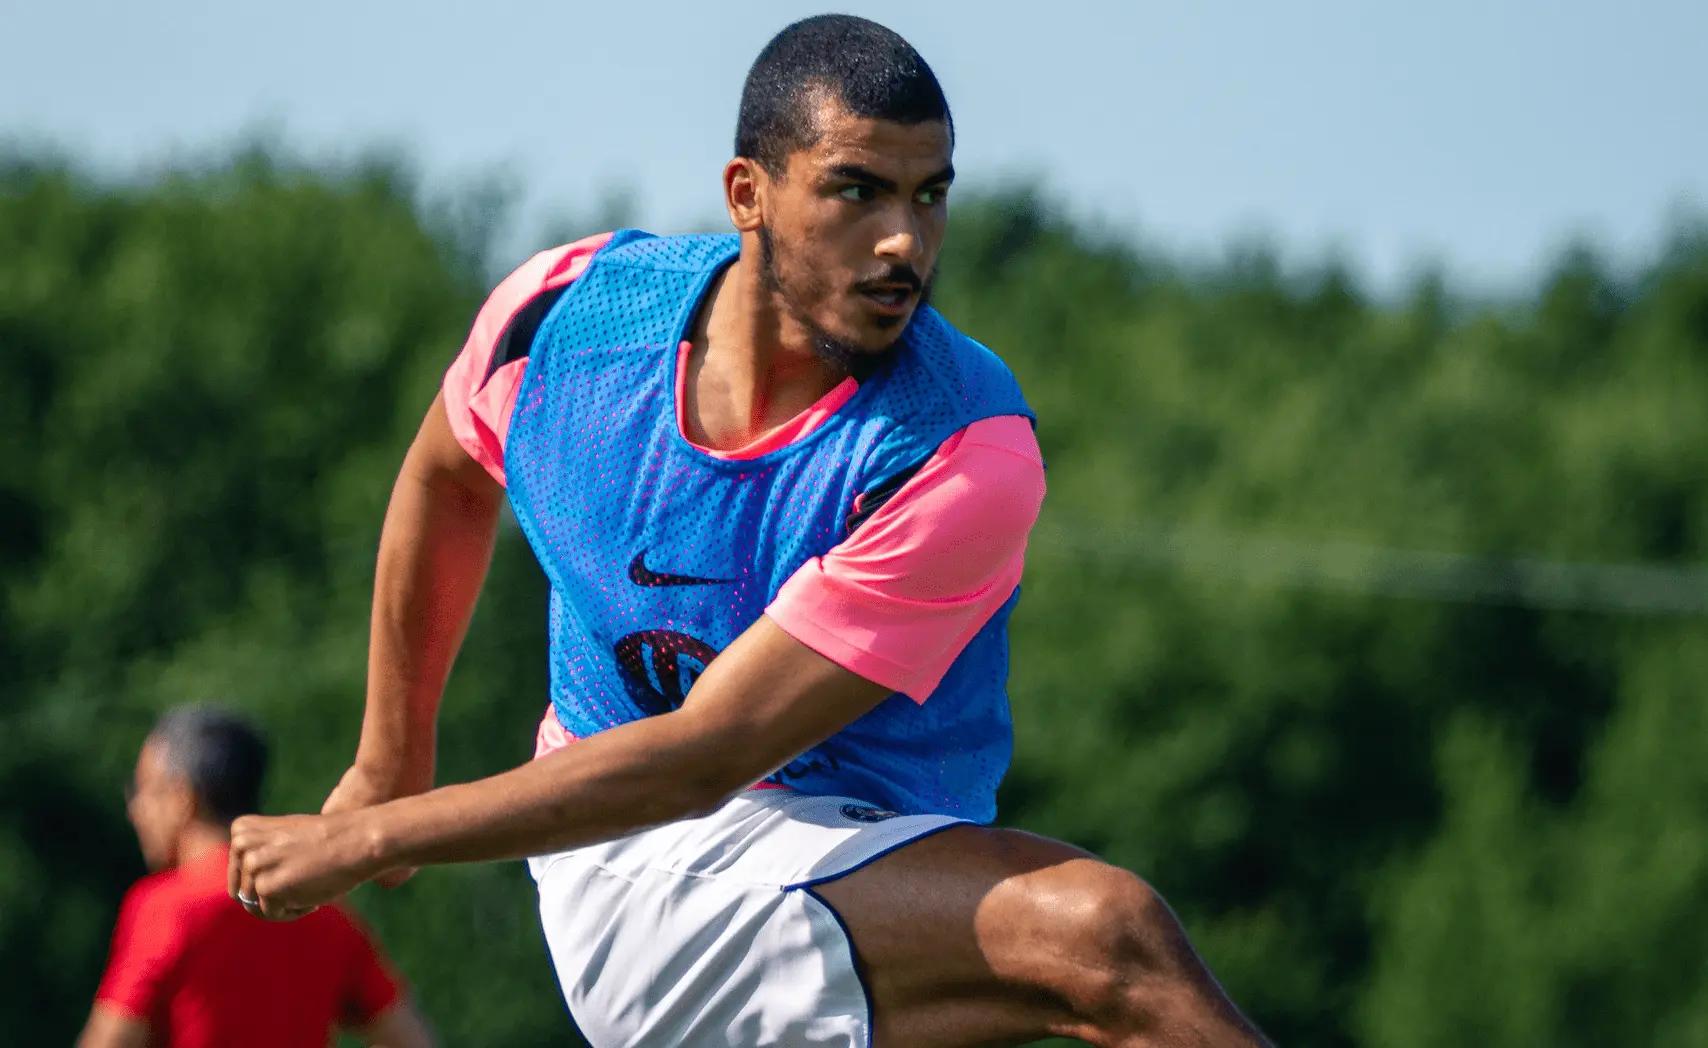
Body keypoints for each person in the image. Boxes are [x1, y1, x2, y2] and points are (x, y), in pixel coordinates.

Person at [228, 14, 1271, 1047]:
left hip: (846, 855)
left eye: (928, 193)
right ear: (748, 194)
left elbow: (706, 746)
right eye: (855, 190)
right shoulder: (562, 320)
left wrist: (368, 836)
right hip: (634, 860)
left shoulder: (960, 452)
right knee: (1101, 935)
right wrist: (387, 760)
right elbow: (449, 477)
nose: (903, 240)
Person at [79, 706, 432, 1048]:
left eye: (144, 790)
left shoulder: (167, 907)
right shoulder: (326, 911)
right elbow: (409, 1038)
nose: (135, 810)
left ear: (182, 799)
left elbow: (112, 1041)